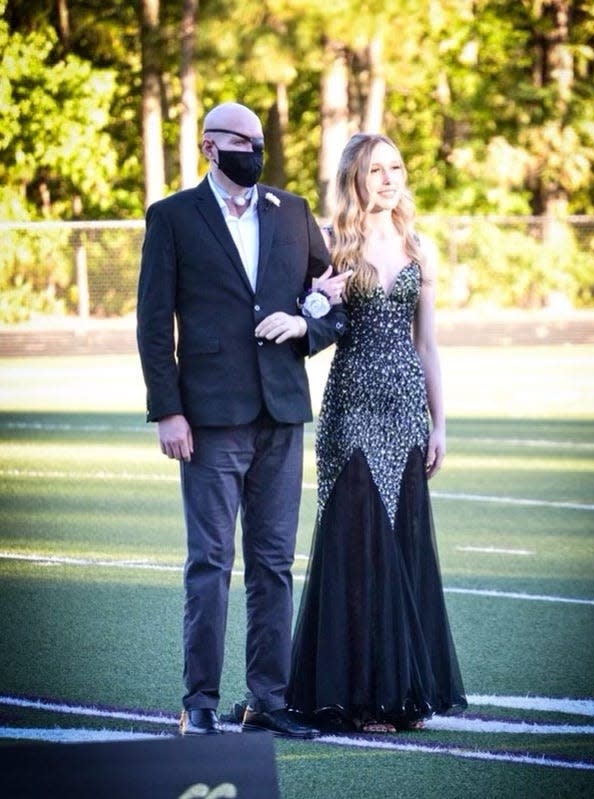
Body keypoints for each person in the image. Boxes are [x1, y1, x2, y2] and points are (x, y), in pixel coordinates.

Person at [136, 102, 350, 739]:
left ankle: (268, 700)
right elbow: (153, 324)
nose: (255, 150)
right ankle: (198, 701)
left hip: (281, 414)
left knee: (274, 563)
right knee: (209, 561)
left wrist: (307, 326)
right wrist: (167, 410)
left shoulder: (294, 212)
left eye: (260, 140)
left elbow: (336, 296)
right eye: (242, 141)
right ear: (209, 146)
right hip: (207, 421)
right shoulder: (172, 216)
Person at [286, 133, 468, 733]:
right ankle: (357, 697)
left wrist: (440, 423)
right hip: (351, 412)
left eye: (396, 168)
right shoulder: (334, 245)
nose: (389, 180)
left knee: (402, 546)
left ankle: (401, 694)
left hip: (406, 414)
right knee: (359, 549)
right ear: (354, 179)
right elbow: (317, 328)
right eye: (375, 170)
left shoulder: (420, 248)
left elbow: (428, 346)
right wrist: (313, 302)